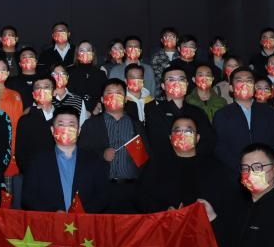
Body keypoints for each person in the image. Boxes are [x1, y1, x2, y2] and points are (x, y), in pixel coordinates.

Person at [137, 117, 237, 247]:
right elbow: (141, 196)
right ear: (170, 137)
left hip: (204, 240)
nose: (183, 135)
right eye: (178, 131)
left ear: (197, 138)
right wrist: (164, 210)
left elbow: (227, 202)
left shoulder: (214, 167)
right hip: (164, 237)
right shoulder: (156, 165)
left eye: (188, 131)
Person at [20, 107, 108, 213]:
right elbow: (28, 198)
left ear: (79, 131)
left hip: (83, 221)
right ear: (52, 130)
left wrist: (80, 212)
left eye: (71, 125)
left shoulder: (94, 160)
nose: (66, 130)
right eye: (61, 125)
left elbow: (102, 197)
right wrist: (53, 212)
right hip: (49, 221)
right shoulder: (37, 161)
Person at [79, 79, 147, 213]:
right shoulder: (91, 124)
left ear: (125, 99)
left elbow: (146, 158)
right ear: (102, 99)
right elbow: (81, 154)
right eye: (109, 93)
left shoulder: (136, 124)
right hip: (101, 189)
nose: (114, 97)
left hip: (132, 190)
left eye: (119, 93)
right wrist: (101, 154)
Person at [212, 67, 274, 170]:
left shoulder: (270, 112)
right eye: (239, 81)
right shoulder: (222, 115)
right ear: (231, 88)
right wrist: (242, 168)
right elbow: (220, 147)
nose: (244, 84)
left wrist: (266, 165)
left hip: (266, 170)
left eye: (249, 81)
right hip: (235, 172)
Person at [145, 64, 216, 158]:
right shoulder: (154, 112)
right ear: (163, 86)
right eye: (171, 80)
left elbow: (208, 141)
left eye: (181, 79)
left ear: (187, 84)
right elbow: (155, 145)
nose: (177, 83)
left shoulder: (198, 112)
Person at [14, 74, 58, 173]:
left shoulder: (62, 118)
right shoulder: (25, 120)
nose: (42, 91)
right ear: (33, 94)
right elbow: (20, 154)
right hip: (34, 174)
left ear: (54, 92)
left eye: (46, 87)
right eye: (38, 88)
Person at [148, 27, 180, 97]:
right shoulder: (156, 57)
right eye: (167, 37)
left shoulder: (182, 56)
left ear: (177, 40)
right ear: (162, 40)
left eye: (173, 37)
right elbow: (158, 77)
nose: (170, 39)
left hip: (179, 92)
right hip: (161, 95)